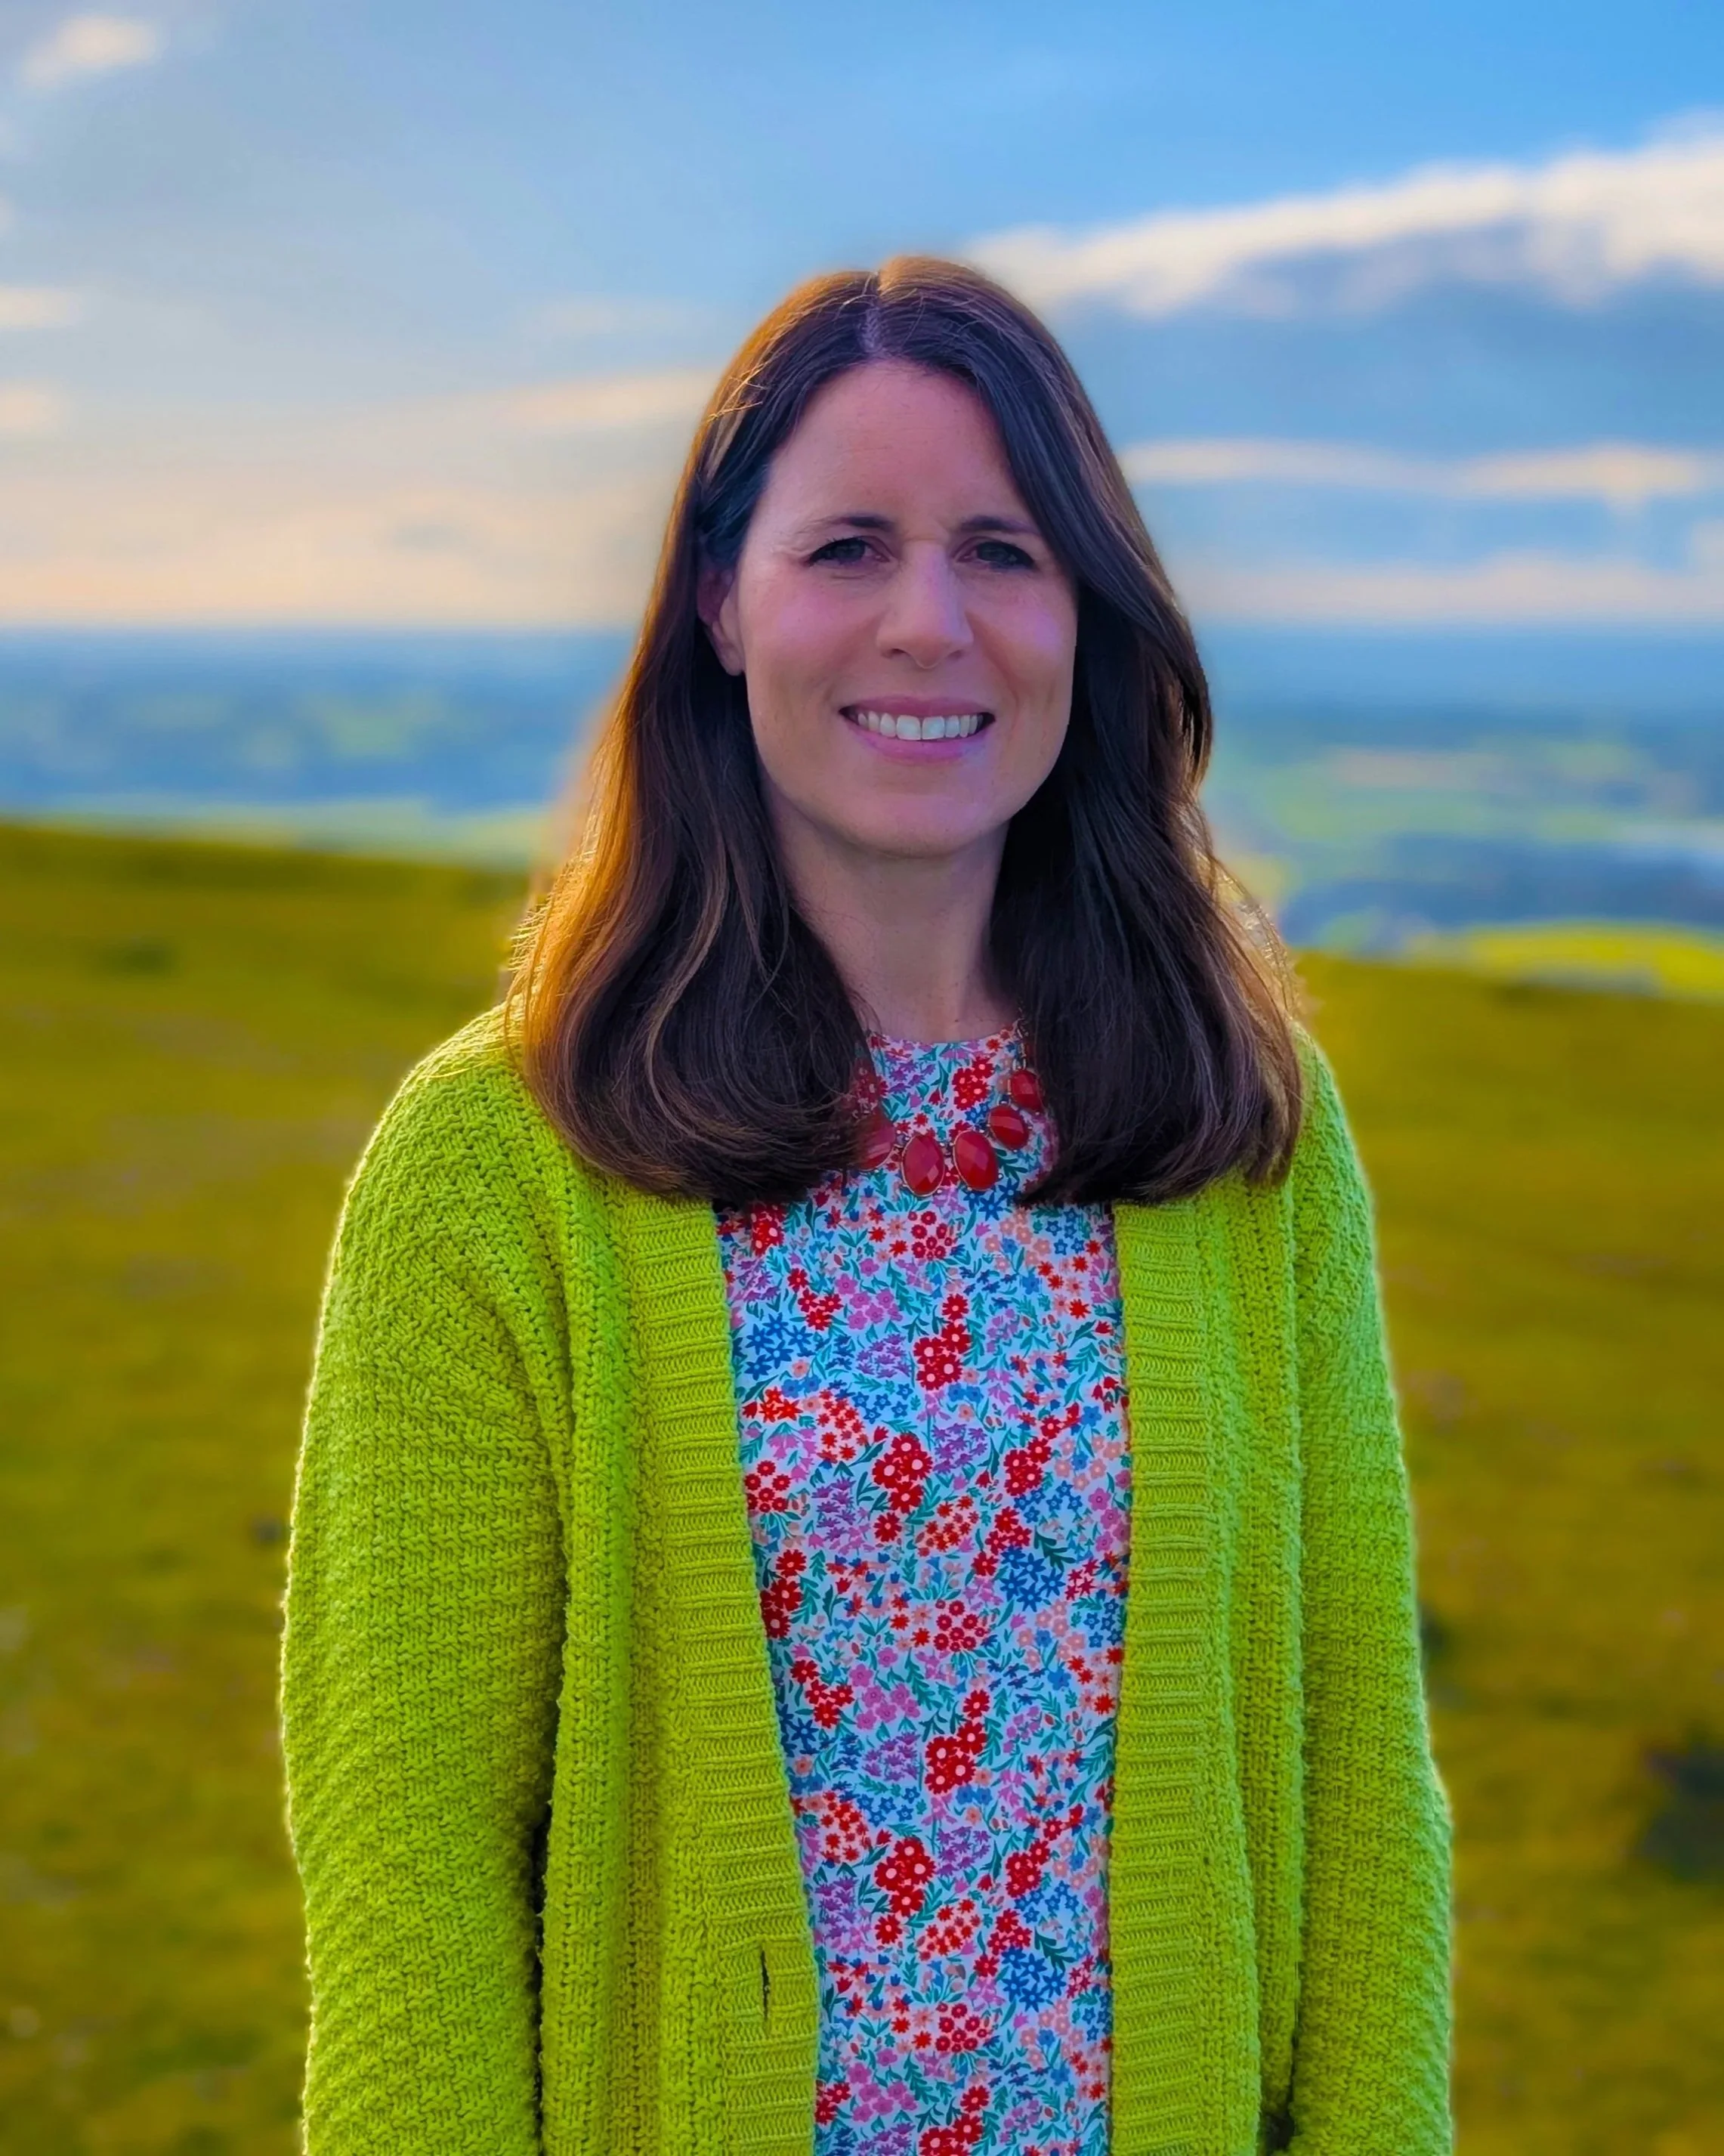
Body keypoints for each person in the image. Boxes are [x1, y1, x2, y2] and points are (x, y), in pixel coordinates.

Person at [280, 255, 1453, 2156]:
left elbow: (1360, 1792)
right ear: (723, 609)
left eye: (1002, 549)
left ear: (1089, 613)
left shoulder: (1245, 1129)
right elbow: (407, 1875)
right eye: (846, 548)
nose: (929, 622)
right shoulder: (498, 1162)